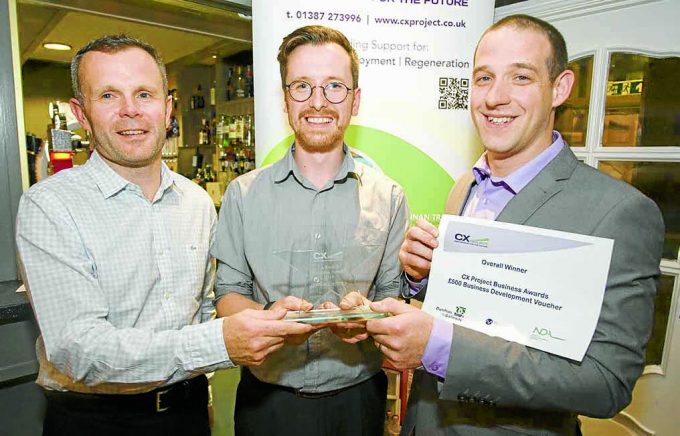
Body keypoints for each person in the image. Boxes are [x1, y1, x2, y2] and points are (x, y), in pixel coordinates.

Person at [366, 14, 665, 435]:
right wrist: (421, 278)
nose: (495, 97)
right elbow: (480, 304)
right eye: (484, 78)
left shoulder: (618, 212)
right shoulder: (465, 186)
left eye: (520, 77)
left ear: (559, 88)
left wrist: (438, 346)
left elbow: (605, 382)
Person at [15, 34, 312, 436]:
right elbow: (78, 349)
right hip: (94, 421)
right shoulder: (49, 206)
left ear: (167, 107)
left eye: (144, 94)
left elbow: (204, 310)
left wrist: (264, 322)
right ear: (81, 113)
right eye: (108, 96)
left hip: (186, 413)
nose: (130, 111)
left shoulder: (196, 202)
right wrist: (222, 343)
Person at [211, 25, 409, 436]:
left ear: (355, 100)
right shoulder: (242, 195)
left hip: (359, 399)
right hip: (266, 401)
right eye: (302, 86)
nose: (318, 102)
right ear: (285, 98)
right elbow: (228, 294)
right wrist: (269, 321)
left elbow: (393, 291)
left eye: (334, 86)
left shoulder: (389, 197)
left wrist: (368, 316)